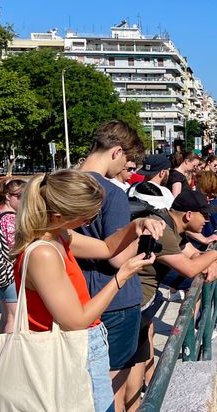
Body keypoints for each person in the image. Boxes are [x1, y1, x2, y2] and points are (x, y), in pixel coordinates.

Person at [11, 170, 162, 412]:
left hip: (83, 348)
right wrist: (122, 276)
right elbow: (77, 321)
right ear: (60, 215)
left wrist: (136, 225)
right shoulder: (44, 253)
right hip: (73, 353)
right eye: (86, 220)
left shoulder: (60, 235)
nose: (88, 223)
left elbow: (105, 248)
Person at [123, 190, 217, 410]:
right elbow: (189, 268)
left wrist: (209, 261)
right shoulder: (164, 231)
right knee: (127, 369)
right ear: (188, 215)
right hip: (135, 305)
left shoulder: (171, 225)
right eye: (204, 215)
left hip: (141, 303)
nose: (207, 220)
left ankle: (145, 393)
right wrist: (215, 255)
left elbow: (194, 254)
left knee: (141, 353)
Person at [76, 120, 146, 411]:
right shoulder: (111, 193)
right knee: (111, 384)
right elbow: (116, 256)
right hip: (115, 298)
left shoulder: (57, 184)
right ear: (116, 151)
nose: (125, 169)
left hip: (77, 296)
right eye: (127, 161)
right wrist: (137, 239)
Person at [0, 177, 26, 333]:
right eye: (19, 197)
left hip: (3, 273)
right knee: (13, 318)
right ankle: (8, 355)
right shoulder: (10, 219)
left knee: (6, 317)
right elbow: (15, 248)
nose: (23, 202)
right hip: (12, 273)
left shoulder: (0, 215)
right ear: (7, 196)